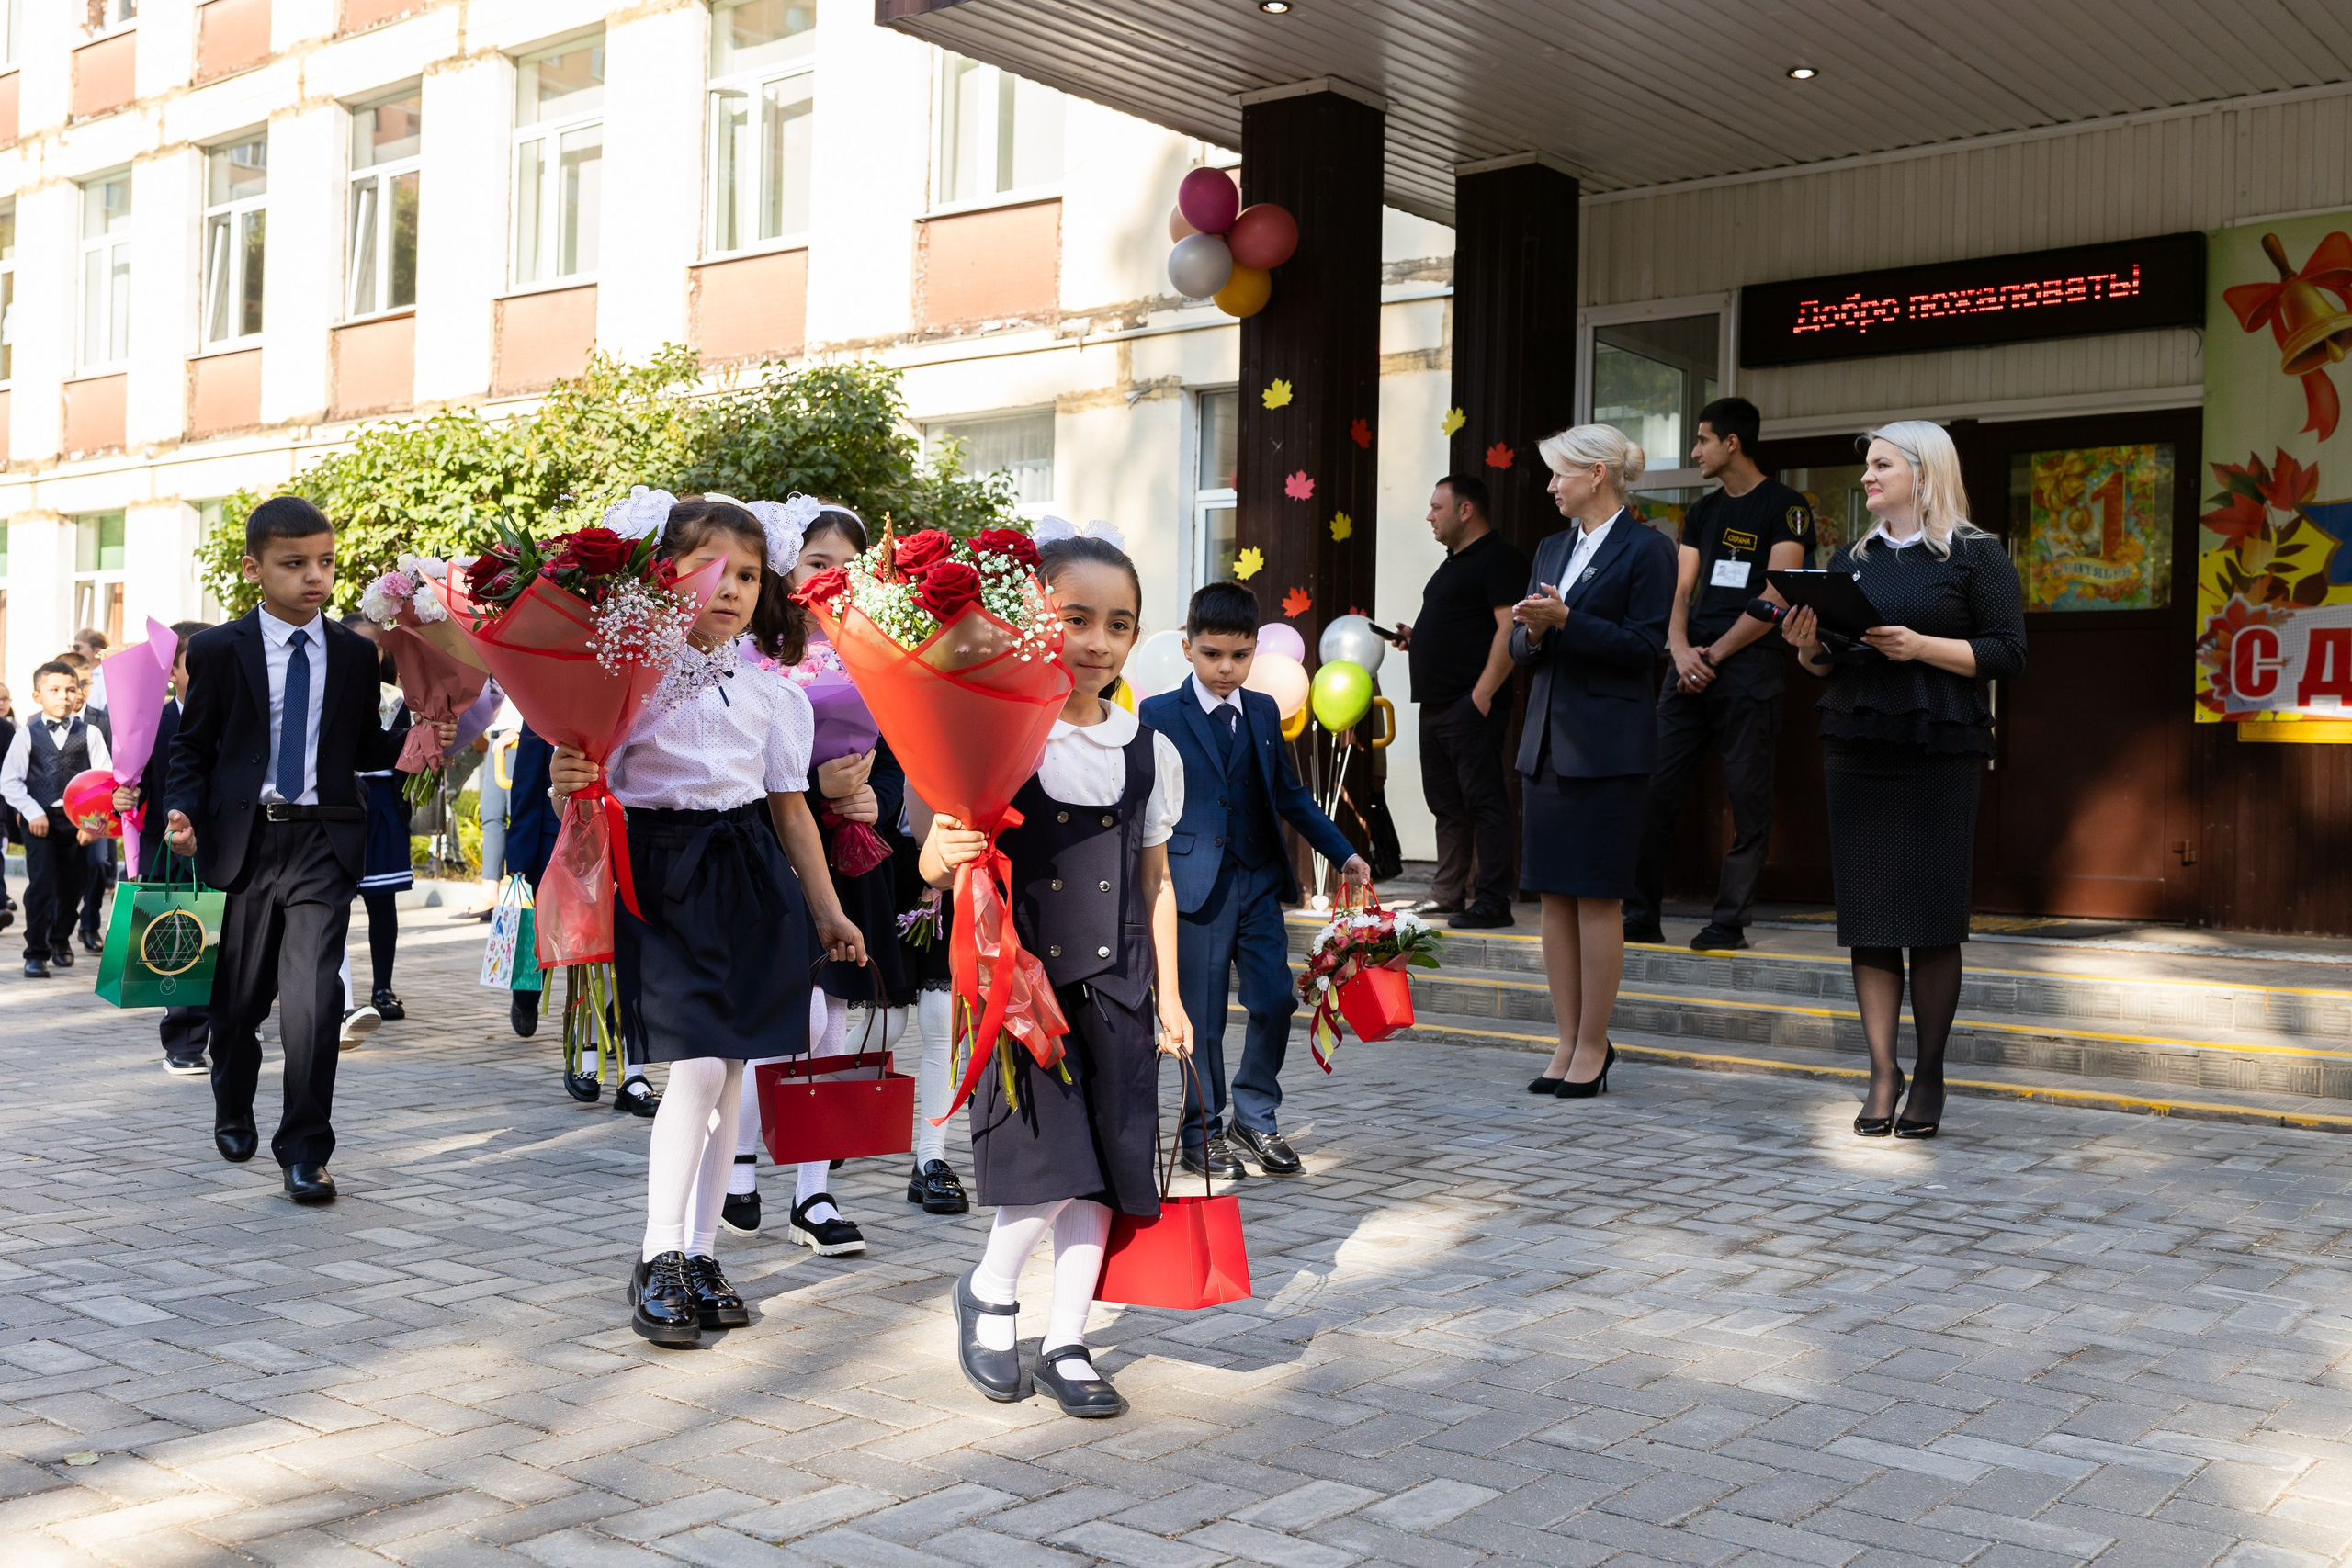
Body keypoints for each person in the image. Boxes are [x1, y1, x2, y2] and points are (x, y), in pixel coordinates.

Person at [548, 494, 865, 1349]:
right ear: (666, 574)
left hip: (752, 880)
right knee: (693, 1070)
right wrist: (563, 772)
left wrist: (829, 911)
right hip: (661, 876)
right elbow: (580, 778)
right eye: (710, 569)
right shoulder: (626, 677)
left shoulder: (770, 691)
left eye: (750, 575)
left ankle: (699, 1251)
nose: (730, 589)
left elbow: (792, 812)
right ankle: (657, 1255)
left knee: (730, 1079)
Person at [922, 530, 1193, 1420]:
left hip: (1118, 988)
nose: (1096, 641)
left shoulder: (1147, 747)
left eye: (1118, 624)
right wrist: (945, 845)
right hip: (1023, 990)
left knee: (1105, 1171)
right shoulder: (998, 731)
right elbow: (933, 859)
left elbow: (1155, 879)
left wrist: (1174, 998)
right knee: (1046, 1164)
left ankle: (1068, 1337)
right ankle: (991, 1293)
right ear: (1034, 613)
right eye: (1075, 617)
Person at [164, 498, 447, 1202]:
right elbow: (193, 748)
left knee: (314, 1003)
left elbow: (362, 749)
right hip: (245, 842)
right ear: (254, 568)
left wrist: (415, 744)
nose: (314, 577)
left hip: (324, 839)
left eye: (324, 562)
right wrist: (180, 808)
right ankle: (232, 1102)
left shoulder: (354, 654)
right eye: (295, 565)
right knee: (236, 1006)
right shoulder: (217, 650)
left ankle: (305, 1149)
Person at [1781, 422, 2025, 1141]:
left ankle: (1932, 1072)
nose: (1867, 477)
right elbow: (1826, 660)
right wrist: (1805, 648)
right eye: (1868, 466)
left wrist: (1921, 646)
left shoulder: (1977, 555)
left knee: (1933, 915)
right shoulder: (1848, 559)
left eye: (1881, 464)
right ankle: (1882, 1072)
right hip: (1858, 740)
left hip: (1939, 744)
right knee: (1871, 916)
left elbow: (2008, 653)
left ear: (1925, 471)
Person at [722, 501, 922, 1254]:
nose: (830, 578)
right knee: (790, 1019)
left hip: (853, 858)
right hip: (777, 856)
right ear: (786, 568)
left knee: (832, 1023)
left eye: (845, 566)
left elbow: (908, 757)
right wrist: (818, 787)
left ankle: (812, 1193)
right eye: (816, 563)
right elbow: (741, 771)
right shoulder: (748, 653)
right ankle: (740, 1161)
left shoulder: (878, 654)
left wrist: (880, 797)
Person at [1138, 581, 1368, 1181]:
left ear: (1254, 652)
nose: (1225, 668)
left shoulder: (1264, 711)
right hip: (1193, 889)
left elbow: (1289, 794)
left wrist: (1343, 852)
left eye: (1239, 656)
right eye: (1213, 654)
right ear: (1189, 648)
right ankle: (1203, 1132)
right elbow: (1141, 803)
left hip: (1259, 881)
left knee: (1274, 998)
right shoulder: (1157, 713)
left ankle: (1254, 1114)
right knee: (1204, 1018)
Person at [1511, 425, 1676, 1101]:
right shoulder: (1553, 546)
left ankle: (1594, 1043)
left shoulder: (1649, 548)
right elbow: (1524, 650)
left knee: (1598, 895)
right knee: (1553, 894)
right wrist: (1534, 628)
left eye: (1560, 474)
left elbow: (1645, 648)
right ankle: (1565, 1036)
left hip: (1609, 746)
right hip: (1547, 739)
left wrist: (1568, 620)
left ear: (1597, 473)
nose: (1551, 486)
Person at [1626, 397, 1815, 952]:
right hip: (1689, 666)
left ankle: (1727, 923)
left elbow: (1778, 591)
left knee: (1748, 802)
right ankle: (1641, 915)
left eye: (1703, 439)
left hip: (1748, 667)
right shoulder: (1703, 512)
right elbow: (1682, 587)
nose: (1694, 451)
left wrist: (1714, 655)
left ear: (1732, 442)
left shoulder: (1787, 506)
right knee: (1653, 790)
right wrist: (1681, 648)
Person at [1395, 475, 1528, 928]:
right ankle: (1448, 893)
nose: (1429, 516)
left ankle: (1493, 900)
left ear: (1466, 510)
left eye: (1437, 507)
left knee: (1483, 802)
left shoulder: (1499, 559)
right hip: (1436, 705)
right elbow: (1462, 628)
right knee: (1446, 803)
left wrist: (1482, 695)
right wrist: (1420, 640)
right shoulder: (1452, 563)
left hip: (1469, 705)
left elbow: (1509, 629)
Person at [117, 621, 216, 1073]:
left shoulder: (241, 717)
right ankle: (186, 1042)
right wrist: (124, 796)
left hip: (231, 844)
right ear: (171, 671)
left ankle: (237, 1019)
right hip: (170, 846)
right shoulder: (150, 723)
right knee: (180, 942)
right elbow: (135, 787)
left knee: (234, 943)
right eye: (194, 664)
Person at [2, 661, 113, 977]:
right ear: (38, 696)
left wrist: (93, 825)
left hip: (79, 821)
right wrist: (33, 811)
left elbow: (104, 781)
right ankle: (35, 952)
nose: (63, 696)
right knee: (41, 886)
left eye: (70, 689)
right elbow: (10, 780)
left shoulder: (89, 732)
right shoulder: (26, 734)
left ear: (78, 693)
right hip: (40, 821)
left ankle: (60, 938)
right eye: (54, 690)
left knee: (75, 885)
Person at [343, 615, 413, 1023]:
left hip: (382, 804)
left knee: (381, 902)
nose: (368, 654)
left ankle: (382, 987)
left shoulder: (397, 700)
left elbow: (404, 756)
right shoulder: (325, 693)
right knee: (328, 903)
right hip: (338, 803)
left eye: (375, 647)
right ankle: (331, 989)